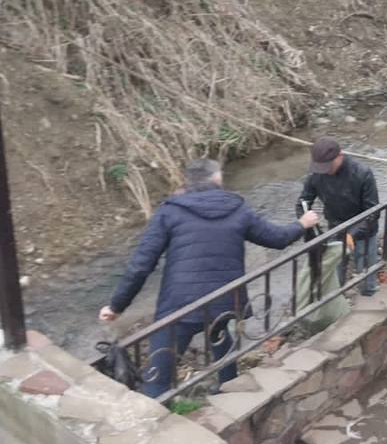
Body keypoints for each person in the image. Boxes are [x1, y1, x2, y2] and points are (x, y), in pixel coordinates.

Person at [98, 158, 320, 398]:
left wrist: (117, 306)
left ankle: (156, 417)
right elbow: (277, 239)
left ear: (188, 182)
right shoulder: (238, 209)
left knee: (159, 374)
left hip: (181, 307)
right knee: (219, 330)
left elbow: (141, 265)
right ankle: (229, 389)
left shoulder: (170, 211)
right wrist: (302, 223)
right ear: (217, 179)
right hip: (225, 300)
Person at [298, 137, 380, 296]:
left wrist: (353, 233)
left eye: (327, 166)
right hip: (335, 228)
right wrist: (307, 224)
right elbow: (303, 202)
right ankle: (336, 298)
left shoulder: (362, 173)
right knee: (336, 270)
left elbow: (373, 211)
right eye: (321, 167)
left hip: (364, 230)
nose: (325, 170)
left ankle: (369, 292)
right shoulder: (317, 174)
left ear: (340, 156)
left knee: (366, 266)